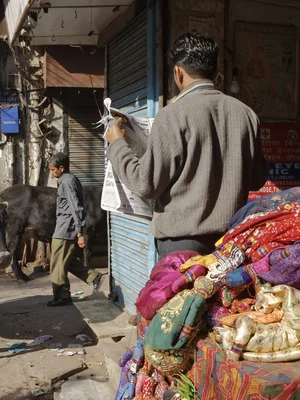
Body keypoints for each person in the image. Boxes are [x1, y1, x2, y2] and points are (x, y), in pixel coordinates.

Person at [105, 32, 268, 260]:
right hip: (230, 245)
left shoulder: (171, 116)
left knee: (183, 298)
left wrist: (118, 145)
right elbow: (257, 179)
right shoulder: (247, 114)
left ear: (178, 72)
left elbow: (145, 184)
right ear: (213, 69)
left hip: (181, 248)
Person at [46, 152, 103, 307]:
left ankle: (62, 296)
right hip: (64, 226)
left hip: (66, 228)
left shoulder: (67, 182)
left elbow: (75, 207)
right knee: (66, 261)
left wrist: (80, 232)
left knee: (57, 264)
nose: (51, 173)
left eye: (53, 170)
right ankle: (93, 277)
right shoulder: (67, 179)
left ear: (61, 168)